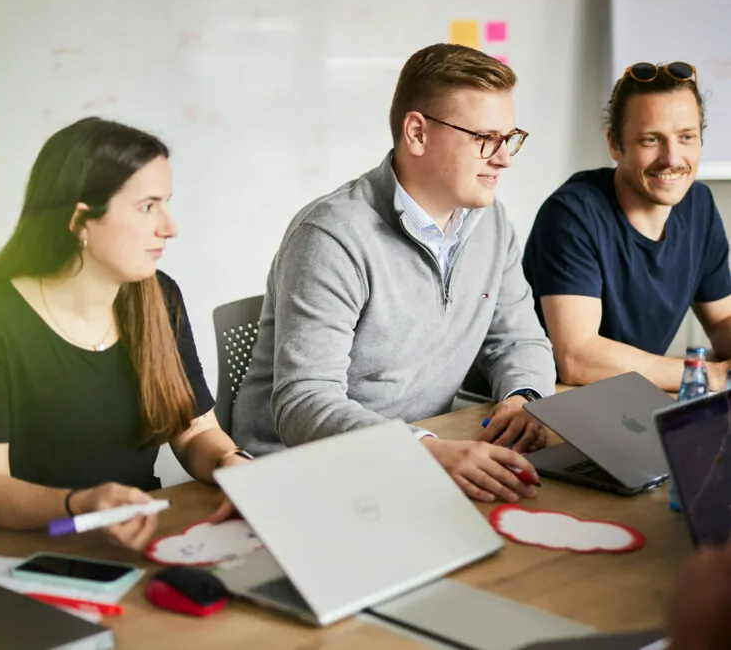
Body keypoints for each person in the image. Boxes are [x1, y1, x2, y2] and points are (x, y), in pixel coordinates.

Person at [231, 43, 556, 504]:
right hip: (305, 478)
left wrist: (524, 399)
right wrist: (425, 452)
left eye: (510, 138)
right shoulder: (331, 235)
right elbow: (304, 402)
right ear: (418, 133)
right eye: (485, 139)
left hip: (418, 460)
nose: (504, 159)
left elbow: (519, 340)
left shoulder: (491, 223)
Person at [0, 117, 248, 552]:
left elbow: (194, 431)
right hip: (27, 547)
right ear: (81, 220)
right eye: (148, 206)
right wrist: (81, 504)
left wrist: (232, 463)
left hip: (136, 538)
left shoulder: (159, 296)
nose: (169, 226)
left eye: (166, 203)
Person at [522, 62, 731, 392]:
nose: (672, 158)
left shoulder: (699, 205)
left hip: (627, 398)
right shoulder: (572, 214)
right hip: (549, 403)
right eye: (651, 140)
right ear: (615, 145)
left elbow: (721, 321)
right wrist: (712, 375)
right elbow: (577, 358)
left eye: (687, 137)